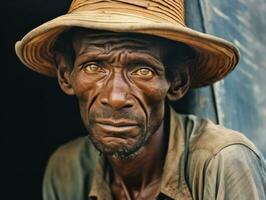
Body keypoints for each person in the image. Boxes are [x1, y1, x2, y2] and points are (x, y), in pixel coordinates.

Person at [15, 0, 266, 199]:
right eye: (93, 67)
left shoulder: (221, 163)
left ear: (177, 81)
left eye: (142, 70)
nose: (115, 98)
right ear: (65, 75)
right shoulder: (67, 170)